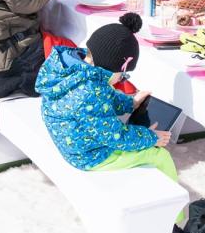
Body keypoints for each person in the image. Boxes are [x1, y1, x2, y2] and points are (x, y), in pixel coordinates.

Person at [36, 14, 180, 195]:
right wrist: (151, 138)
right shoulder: (90, 93)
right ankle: (174, 220)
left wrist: (131, 103)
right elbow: (116, 136)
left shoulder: (75, 70)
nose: (121, 79)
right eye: (122, 75)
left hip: (72, 142)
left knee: (134, 131)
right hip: (90, 155)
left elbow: (105, 97)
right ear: (115, 66)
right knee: (159, 155)